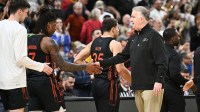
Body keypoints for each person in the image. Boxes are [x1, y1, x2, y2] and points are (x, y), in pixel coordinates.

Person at [27, 7, 102, 112]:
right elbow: (64, 66)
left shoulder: (27, 38)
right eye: (54, 25)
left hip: (30, 83)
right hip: (46, 83)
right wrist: (86, 66)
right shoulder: (49, 42)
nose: (55, 29)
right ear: (48, 25)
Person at [98, 6, 168, 112]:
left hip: (152, 86)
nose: (131, 19)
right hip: (137, 86)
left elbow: (163, 61)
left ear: (142, 18)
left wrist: (159, 81)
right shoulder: (133, 37)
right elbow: (121, 57)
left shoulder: (154, 36)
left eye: (133, 17)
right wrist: (101, 63)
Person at [0, 0, 53, 112]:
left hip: (2, 81)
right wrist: (41, 66)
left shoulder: (1, 25)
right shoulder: (20, 29)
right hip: (15, 82)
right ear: (19, 11)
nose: (27, 15)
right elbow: (21, 59)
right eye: (26, 12)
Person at [74, 18, 131, 112]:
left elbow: (77, 59)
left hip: (96, 83)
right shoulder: (115, 44)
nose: (118, 30)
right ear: (113, 29)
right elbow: (120, 68)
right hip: (109, 84)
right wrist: (135, 81)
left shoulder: (94, 42)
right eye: (117, 27)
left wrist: (90, 67)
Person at [160, 28, 188, 112]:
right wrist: (185, 82)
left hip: (158, 90)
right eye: (177, 36)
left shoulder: (158, 51)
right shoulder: (174, 54)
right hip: (172, 90)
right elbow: (174, 74)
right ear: (172, 38)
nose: (179, 38)